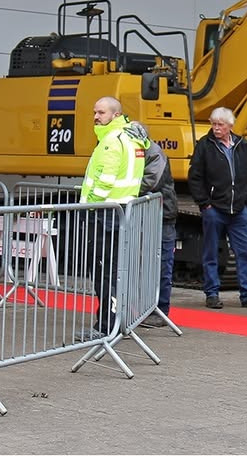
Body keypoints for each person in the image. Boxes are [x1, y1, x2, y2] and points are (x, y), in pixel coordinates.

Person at [78, 96, 146, 339]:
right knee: (116, 270)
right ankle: (119, 322)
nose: (96, 117)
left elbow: (103, 182)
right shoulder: (131, 138)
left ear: (115, 115)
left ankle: (106, 326)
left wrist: (88, 207)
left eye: (102, 112)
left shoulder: (111, 141)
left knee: (103, 272)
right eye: (95, 112)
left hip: (106, 214)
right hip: (122, 212)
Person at [188, 107, 247, 310]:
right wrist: (205, 204)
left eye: (220, 125)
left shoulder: (241, 145)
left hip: (239, 209)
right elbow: (195, 176)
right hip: (214, 208)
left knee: (245, 252)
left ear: (230, 126)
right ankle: (212, 293)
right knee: (211, 252)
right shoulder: (204, 146)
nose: (216, 128)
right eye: (214, 124)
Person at [126, 120, 179, 329]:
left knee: (161, 263)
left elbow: (150, 181)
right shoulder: (145, 152)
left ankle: (160, 309)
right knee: (143, 264)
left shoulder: (154, 154)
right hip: (151, 212)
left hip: (161, 214)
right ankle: (144, 308)